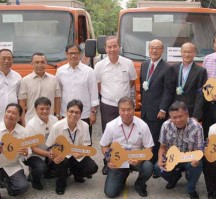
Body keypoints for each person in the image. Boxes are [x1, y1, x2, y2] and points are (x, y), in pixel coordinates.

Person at [94, 36, 137, 174]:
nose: (112, 49)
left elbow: (131, 82)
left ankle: (125, 161)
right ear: (105, 48)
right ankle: (107, 162)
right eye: (109, 47)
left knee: (125, 135)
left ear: (119, 47)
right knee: (108, 136)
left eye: (115, 46)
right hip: (108, 105)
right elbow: (98, 85)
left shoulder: (128, 63)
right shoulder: (99, 66)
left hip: (125, 107)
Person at [100, 97, 154, 198]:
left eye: (129, 109)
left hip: (136, 158)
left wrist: (139, 159)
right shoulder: (111, 126)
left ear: (134, 109)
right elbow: (104, 146)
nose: (126, 113)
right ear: (118, 110)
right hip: (118, 159)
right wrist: (109, 158)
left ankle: (140, 184)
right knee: (110, 193)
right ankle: (123, 174)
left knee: (148, 166)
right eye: (123, 110)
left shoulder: (143, 126)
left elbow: (149, 148)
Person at [45, 99, 98, 195]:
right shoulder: (57, 126)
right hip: (62, 155)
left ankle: (76, 173)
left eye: (77, 112)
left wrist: (81, 152)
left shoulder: (85, 126)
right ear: (66, 112)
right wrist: (53, 158)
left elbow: (86, 145)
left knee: (92, 167)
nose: (73, 114)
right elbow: (49, 147)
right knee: (61, 161)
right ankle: (60, 184)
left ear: (81, 114)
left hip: (77, 155)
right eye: (71, 111)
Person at [154, 101, 204, 199]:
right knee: (157, 167)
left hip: (189, 158)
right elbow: (162, 147)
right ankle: (174, 178)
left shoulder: (197, 127)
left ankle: (191, 188)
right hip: (172, 158)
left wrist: (196, 160)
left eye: (181, 116)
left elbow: (199, 150)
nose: (178, 120)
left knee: (198, 165)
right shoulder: (165, 126)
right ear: (170, 117)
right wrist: (160, 160)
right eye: (174, 117)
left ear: (187, 115)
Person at [140, 39, 175, 164]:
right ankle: (145, 160)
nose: (154, 50)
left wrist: (163, 109)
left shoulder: (167, 68)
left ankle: (154, 164)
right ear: (149, 49)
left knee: (155, 138)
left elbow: (168, 91)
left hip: (157, 111)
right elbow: (141, 86)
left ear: (162, 50)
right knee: (144, 136)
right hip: (145, 110)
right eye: (152, 47)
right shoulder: (144, 65)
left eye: (157, 48)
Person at [56, 44, 99, 143]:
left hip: (84, 114)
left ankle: (84, 158)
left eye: (76, 53)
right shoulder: (60, 71)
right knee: (66, 142)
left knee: (84, 142)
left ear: (80, 55)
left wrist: (93, 113)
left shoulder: (89, 72)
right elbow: (58, 94)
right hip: (66, 114)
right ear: (66, 55)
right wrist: (58, 114)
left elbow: (94, 94)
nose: (73, 56)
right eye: (71, 53)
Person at [24, 97, 58, 190]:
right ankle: (35, 179)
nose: (45, 111)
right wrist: (48, 154)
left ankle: (49, 170)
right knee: (40, 168)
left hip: (50, 150)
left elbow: (58, 138)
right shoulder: (31, 125)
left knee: (63, 162)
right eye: (41, 109)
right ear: (35, 110)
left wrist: (54, 151)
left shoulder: (54, 120)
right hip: (34, 154)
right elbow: (33, 147)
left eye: (47, 108)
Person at [18, 52, 61, 125]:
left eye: (42, 62)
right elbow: (22, 102)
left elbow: (57, 98)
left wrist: (57, 115)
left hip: (50, 121)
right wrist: (23, 121)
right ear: (32, 64)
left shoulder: (54, 79)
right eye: (37, 62)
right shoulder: (25, 80)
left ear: (46, 63)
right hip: (31, 121)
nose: (40, 65)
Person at [172, 42, 207, 121]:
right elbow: (169, 91)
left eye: (189, 52)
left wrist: (196, 116)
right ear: (181, 52)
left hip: (191, 112)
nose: (187, 54)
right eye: (184, 52)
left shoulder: (201, 71)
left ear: (194, 53)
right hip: (175, 112)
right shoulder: (173, 69)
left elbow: (200, 95)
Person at [0, 103, 29, 196]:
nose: (10, 115)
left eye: (14, 113)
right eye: (8, 112)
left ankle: (6, 183)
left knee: (22, 186)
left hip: (12, 165)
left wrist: (26, 152)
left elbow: (28, 150)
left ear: (20, 117)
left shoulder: (23, 132)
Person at [0, 49, 22, 123]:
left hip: (12, 119)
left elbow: (20, 98)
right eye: (3, 58)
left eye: (9, 59)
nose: (6, 61)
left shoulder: (17, 76)